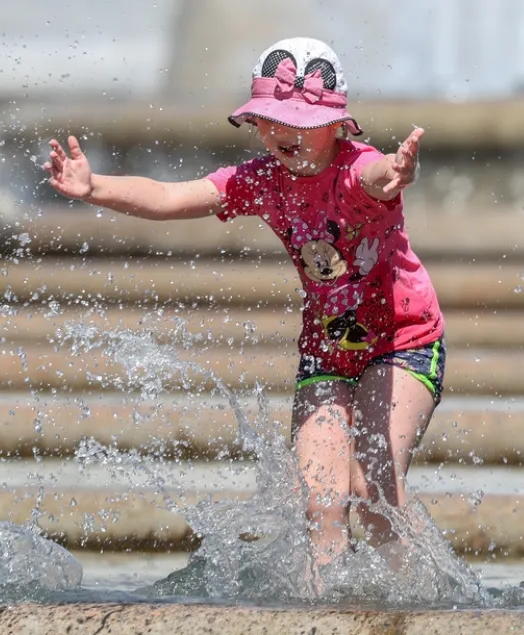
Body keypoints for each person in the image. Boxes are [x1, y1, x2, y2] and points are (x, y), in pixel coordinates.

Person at [42, 37, 444, 574]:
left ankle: (425, 603)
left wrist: (397, 173)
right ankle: (322, 613)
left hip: (405, 342)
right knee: (321, 505)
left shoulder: (356, 170)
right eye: (272, 119)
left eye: (301, 120)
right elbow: (168, 197)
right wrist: (95, 189)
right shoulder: (261, 181)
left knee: (372, 488)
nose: (284, 131)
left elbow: (378, 176)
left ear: (339, 125)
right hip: (328, 349)